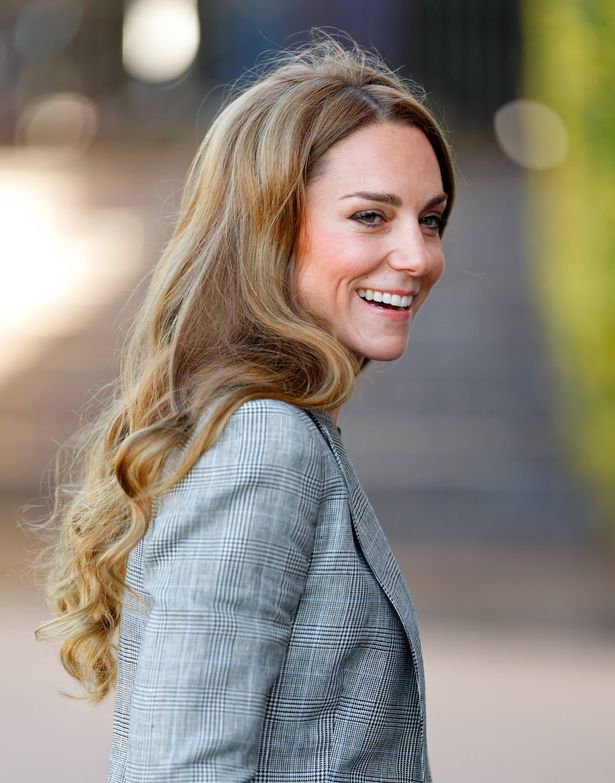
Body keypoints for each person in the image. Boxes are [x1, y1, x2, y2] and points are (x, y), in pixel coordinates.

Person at [36, 33, 455, 783]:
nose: (419, 256)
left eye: (429, 219)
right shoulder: (263, 440)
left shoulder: (277, 427)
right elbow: (180, 769)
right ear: (266, 227)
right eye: (370, 216)